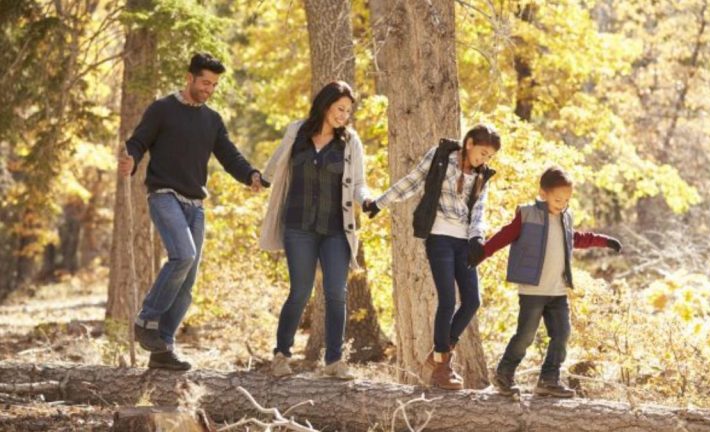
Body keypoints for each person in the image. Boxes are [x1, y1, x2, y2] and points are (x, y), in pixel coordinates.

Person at [117, 53, 263, 370]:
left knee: (187, 283)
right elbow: (139, 141)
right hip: (165, 195)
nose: (209, 89)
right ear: (190, 77)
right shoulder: (163, 109)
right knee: (183, 255)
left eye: (214, 84)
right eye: (204, 82)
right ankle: (146, 320)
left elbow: (229, 155)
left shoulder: (212, 120)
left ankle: (162, 349)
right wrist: (131, 158)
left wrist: (250, 174)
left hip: (196, 205)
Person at [364, 125, 501, 390]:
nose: (484, 160)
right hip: (439, 238)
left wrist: (477, 238)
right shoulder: (440, 157)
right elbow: (412, 182)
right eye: (482, 153)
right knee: (448, 300)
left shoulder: (482, 175)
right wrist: (379, 202)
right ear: (469, 143)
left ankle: (440, 352)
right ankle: (442, 368)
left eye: (489, 157)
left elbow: (479, 213)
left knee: (472, 300)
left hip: (464, 242)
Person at [471, 166, 623, 398]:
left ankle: (548, 380)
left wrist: (605, 241)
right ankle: (504, 373)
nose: (562, 204)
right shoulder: (528, 214)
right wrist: (481, 253)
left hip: (557, 290)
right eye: (557, 198)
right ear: (543, 194)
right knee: (525, 335)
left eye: (567, 200)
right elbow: (504, 236)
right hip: (533, 290)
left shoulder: (565, 218)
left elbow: (577, 239)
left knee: (562, 334)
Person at [260, 81, 371, 380]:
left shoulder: (350, 142)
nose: (344, 115)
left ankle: (334, 361)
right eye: (339, 109)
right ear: (325, 106)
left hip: (335, 229)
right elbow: (277, 162)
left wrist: (368, 200)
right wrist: (260, 179)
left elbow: (358, 184)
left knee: (336, 293)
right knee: (300, 292)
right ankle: (281, 356)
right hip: (299, 226)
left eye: (348, 111)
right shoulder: (298, 132)